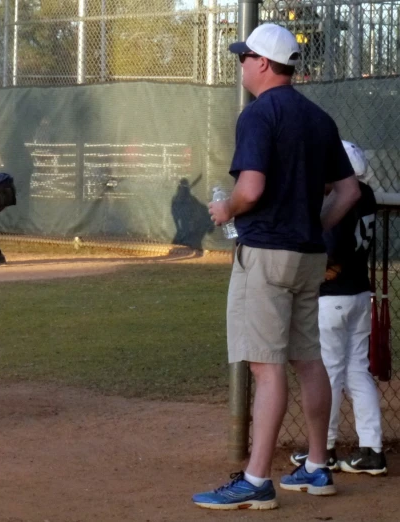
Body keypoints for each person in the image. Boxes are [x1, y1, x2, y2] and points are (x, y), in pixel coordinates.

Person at [193, 23, 361, 510]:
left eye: (245, 57)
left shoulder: (258, 113)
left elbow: (250, 190)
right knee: (309, 361)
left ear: (263, 63)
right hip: (309, 256)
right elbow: (348, 191)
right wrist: (315, 226)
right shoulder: (318, 118)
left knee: (267, 369)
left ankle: (256, 479)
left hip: (266, 253)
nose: (241, 64)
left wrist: (227, 211)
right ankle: (316, 466)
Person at [289, 141, 387, 476]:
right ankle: (372, 449)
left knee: (328, 372)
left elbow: (330, 252)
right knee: (357, 370)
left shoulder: (338, 198)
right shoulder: (368, 194)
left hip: (332, 297)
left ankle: (324, 449)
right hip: (360, 293)